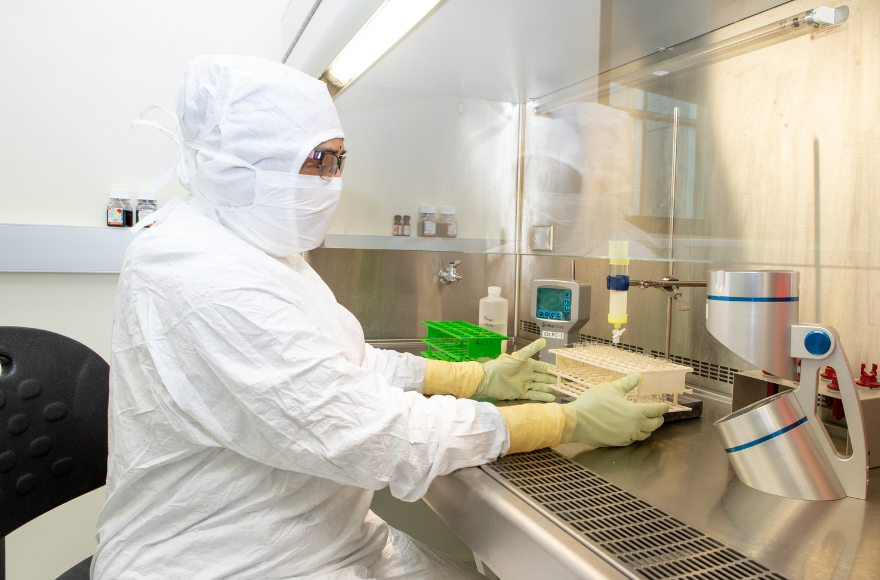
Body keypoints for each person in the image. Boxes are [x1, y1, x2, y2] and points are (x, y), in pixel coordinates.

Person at [92, 55, 669, 580]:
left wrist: (479, 380)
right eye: (317, 161)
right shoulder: (206, 277)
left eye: (339, 160)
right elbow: (379, 436)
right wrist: (567, 423)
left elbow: (347, 366)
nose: (333, 182)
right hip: (230, 562)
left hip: (311, 541)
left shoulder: (253, 247)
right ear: (238, 163)